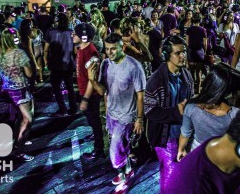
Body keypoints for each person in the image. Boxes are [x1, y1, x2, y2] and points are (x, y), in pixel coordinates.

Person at [88, 33, 146, 189]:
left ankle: (122, 176)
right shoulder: (106, 64)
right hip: (111, 114)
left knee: (114, 151)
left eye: (113, 49)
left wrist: (139, 119)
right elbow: (102, 91)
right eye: (107, 49)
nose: (110, 52)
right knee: (121, 146)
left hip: (127, 116)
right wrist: (92, 80)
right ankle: (128, 170)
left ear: (123, 47)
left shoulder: (134, 66)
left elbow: (141, 96)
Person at [177, 63, 240, 160]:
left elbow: (185, 133)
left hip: (198, 155)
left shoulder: (191, 107)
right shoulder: (233, 114)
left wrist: (181, 149)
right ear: (227, 90)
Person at [144, 35, 194, 193]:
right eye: (177, 53)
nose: (182, 56)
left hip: (184, 135)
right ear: (167, 55)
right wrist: (175, 111)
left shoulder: (186, 75)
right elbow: (149, 111)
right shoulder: (156, 80)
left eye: (184, 52)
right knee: (172, 175)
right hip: (166, 138)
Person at [0, 28, 34, 161]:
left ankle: (17, 140)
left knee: (19, 117)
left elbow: (0, 74)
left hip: (7, 90)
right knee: (28, 119)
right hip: (20, 90)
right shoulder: (19, 53)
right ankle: (19, 149)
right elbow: (29, 73)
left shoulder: (1, 53)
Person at [73, 23, 105, 160]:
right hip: (83, 91)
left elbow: (93, 80)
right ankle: (96, 137)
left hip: (90, 95)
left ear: (84, 37)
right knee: (92, 121)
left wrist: (85, 99)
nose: (72, 35)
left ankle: (99, 150)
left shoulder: (90, 52)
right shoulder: (81, 49)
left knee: (95, 122)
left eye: (75, 34)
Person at [44, 13, 77, 116]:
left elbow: (46, 49)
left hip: (55, 64)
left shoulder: (50, 31)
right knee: (70, 87)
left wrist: (46, 61)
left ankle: (62, 108)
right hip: (68, 63)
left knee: (56, 87)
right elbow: (75, 51)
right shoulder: (71, 32)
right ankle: (73, 108)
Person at [185, 13, 207, 94]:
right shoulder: (203, 30)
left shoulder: (189, 29)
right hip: (200, 52)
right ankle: (198, 89)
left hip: (191, 52)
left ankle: (191, 89)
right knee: (198, 72)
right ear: (200, 21)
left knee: (191, 72)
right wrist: (204, 52)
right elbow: (205, 44)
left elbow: (187, 43)